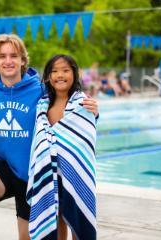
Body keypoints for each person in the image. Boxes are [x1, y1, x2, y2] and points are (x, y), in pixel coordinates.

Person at [0, 34, 98, 240]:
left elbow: (68, 105)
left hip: (36, 172)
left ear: (22, 60)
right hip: (4, 168)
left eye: (13, 56)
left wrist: (92, 112)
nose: (8, 61)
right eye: (2, 56)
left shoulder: (41, 90)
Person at [27, 54, 97, 239]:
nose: (60, 75)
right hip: (49, 172)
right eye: (55, 71)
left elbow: (86, 134)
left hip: (75, 173)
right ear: (48, 76)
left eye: (65, 70)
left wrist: (94, 114)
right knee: (55, 218)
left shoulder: (82, 103)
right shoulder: (42, 105)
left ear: (74, 74)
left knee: (77, 216)